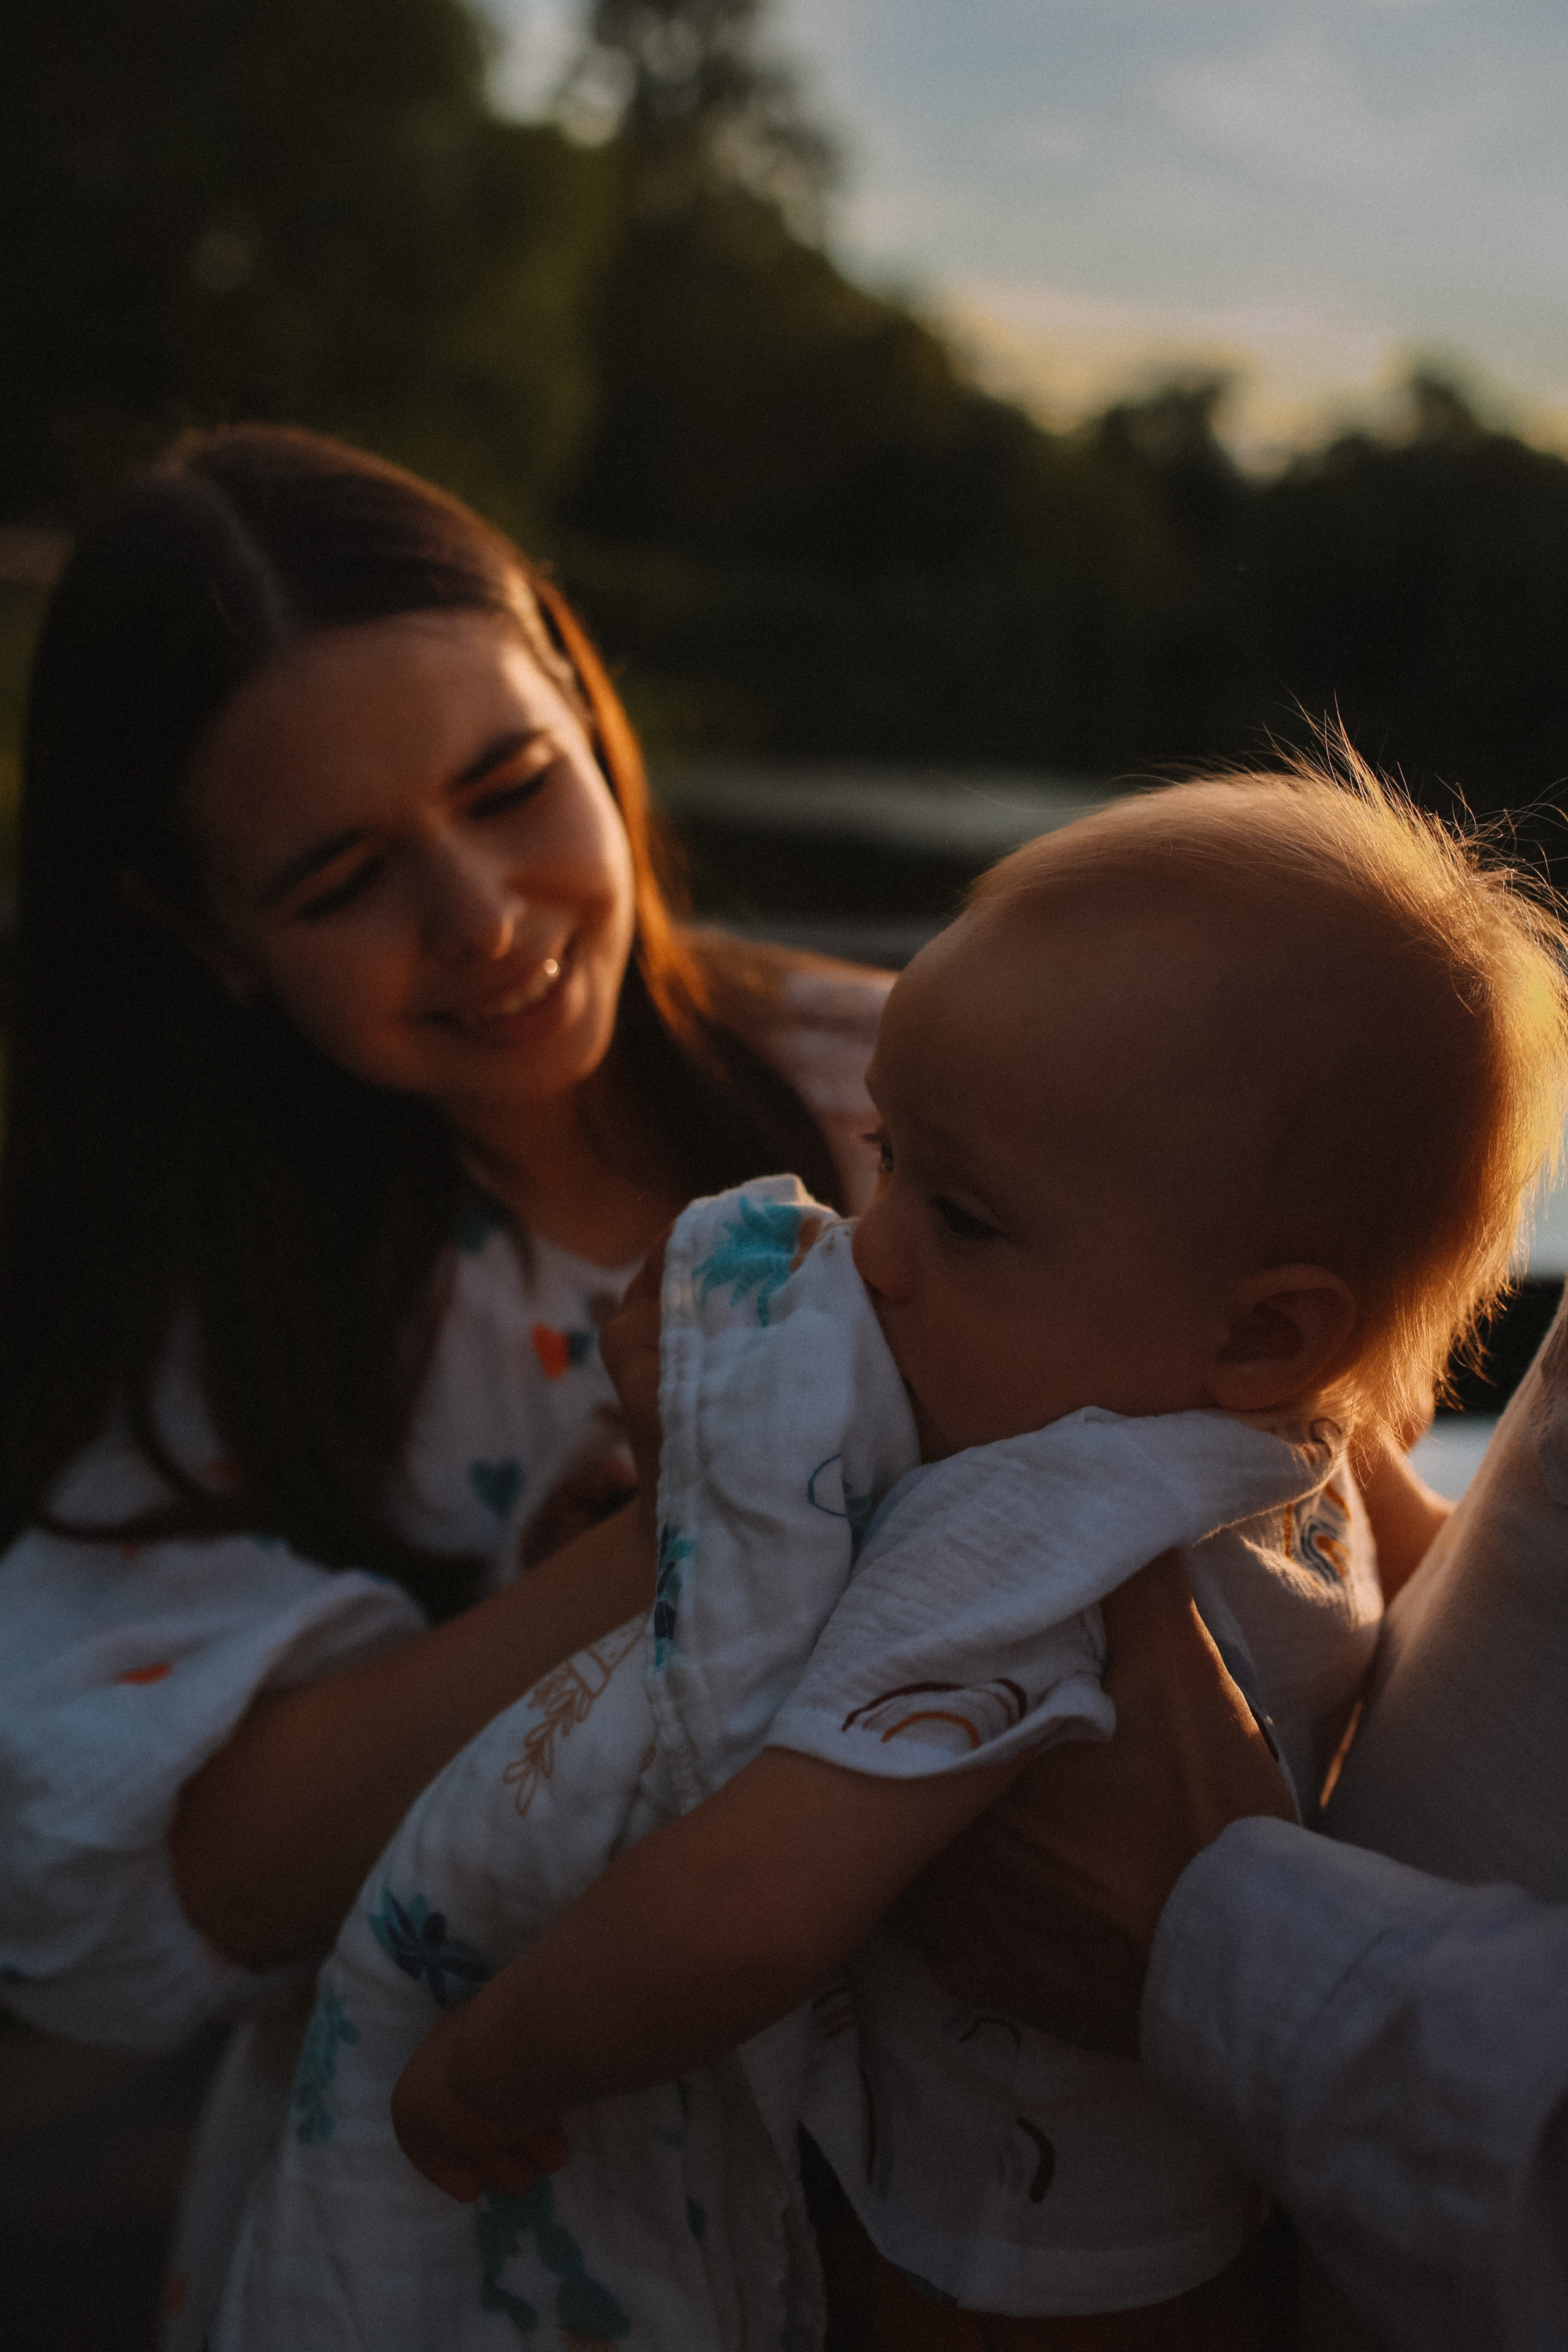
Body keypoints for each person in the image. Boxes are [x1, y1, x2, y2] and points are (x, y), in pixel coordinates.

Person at [216, 767, 1568, 2348]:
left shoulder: (1025, 1536)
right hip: (1223, 2204)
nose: (876, 1253)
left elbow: (749, 1913)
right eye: (885, 1158)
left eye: (968, 1219)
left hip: (999, 2271)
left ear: (1270, 1329)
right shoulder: (1303, 1451)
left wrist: (484, 2062)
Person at [0, 422, 894, 2349]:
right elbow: (185, 1878)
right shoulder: (215, 1310)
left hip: (929, 2221)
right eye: (339, 878)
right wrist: (681, 1522)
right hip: (440, 2253)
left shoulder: (908, 1098)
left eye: (511, 784)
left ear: (584, 701)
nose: (479, 912)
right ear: (206, 939)